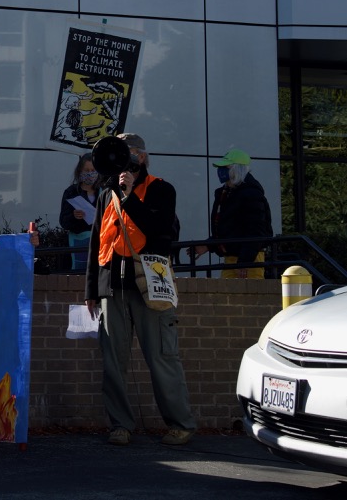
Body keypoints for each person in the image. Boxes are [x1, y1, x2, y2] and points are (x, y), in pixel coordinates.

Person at [84, 133, 196, 447]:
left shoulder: (161, 188)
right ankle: (120, 426)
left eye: (127, 153)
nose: (121, 159)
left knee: (162, 355)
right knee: (113, 362)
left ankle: (181, 424)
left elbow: (160, 231)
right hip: (112, 287)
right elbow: (97, 240)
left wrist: (130, 195)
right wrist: (91, 288)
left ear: (141, 157)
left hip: (149, 285)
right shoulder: (106, 193)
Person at [196, 149, 273, 279]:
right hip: (232, 258)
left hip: (248, 261)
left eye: (225, 167)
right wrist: (210, 245)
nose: (220, 171)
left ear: (237, 169)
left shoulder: (251, 194)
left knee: (248, 296)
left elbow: (256, 232)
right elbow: (230, 229)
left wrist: (244, 261)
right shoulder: (225, 193)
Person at [59, 152, 99, 271]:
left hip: (99, 243)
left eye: (93, 170)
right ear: (80, 171)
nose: (90, 173)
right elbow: (63, 221)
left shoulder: (104, 192)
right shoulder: (71, 192)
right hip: (78, 244)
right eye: (86, 170)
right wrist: (74, 216)